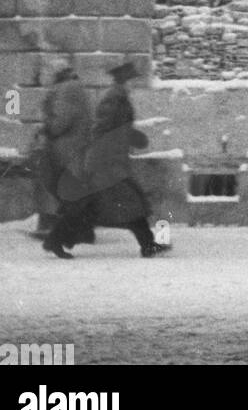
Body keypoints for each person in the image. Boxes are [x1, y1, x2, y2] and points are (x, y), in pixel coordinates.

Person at [43, 61, 166, 260]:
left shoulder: (119, 97)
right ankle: (147, 244)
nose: (133, 84)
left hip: (112, 161)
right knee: (127, 202)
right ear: (123, 81)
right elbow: (101, 128)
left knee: (94, 206)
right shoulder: (114, 98)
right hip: (107, 162)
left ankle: (56, 240)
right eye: (130, 80)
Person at [34, 59, 94, 245]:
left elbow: (62, 120)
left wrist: (46, 128)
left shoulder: (65, 89)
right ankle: (83, 231)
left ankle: (59, 233)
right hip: (78, 147)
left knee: (60, 189)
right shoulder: (78, 87)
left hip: (64, 149)